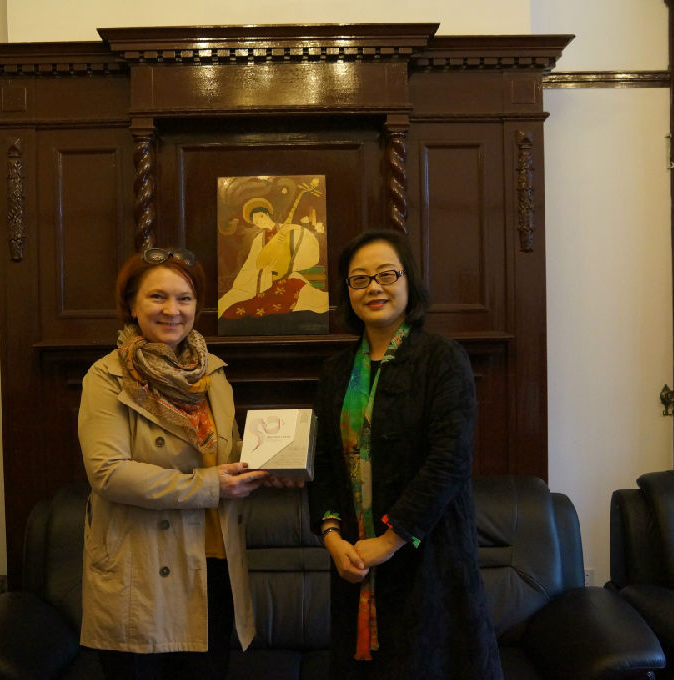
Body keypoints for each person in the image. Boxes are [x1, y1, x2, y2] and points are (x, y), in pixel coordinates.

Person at [307, 230, 503, 680]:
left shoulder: (442, 359)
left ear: (409, 280)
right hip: (354, 561)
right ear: (348, 291)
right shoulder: (336, 372)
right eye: (360, 279)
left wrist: (389, 541)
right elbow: (325, 463)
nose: (373, 287)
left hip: (428, 557)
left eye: (386, 275)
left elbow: (449, 461)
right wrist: (332, 538)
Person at [77, 247, 270, 680]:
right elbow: (108, 473)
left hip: (213, 567)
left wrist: (272, 468)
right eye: (157, 297)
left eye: (184, 298)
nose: (172, 310)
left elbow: (225, 455)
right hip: (143, 572)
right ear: (132, 305)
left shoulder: (212, 373)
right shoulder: (107, 377)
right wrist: (209, 486)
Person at [217, 197, 329, 335]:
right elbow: (251, 264)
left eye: (259, 217)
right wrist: (263, 271)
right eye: (255, 222)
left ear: (266, 214)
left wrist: (297, 229)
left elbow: (307, 248)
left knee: (300, 292)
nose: (259, 222)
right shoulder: (259, 239)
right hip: (264, 281)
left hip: (288, 275)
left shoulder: (287, 229)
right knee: (240, 305)